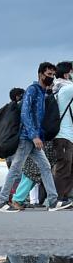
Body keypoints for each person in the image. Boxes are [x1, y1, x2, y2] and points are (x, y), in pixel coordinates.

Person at [0, 63, 72, 212]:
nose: (50, 77)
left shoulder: (42, 92)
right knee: (16, 169)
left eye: (52, 75)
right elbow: (25, 114)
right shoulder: (32, 90)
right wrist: (34, 136)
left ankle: (53, 201)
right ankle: (2, 201)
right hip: (27, 138)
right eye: (48, 74)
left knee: (45, 167)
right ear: (40, 74)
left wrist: (38, 137)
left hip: (34, 139)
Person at [53, 61, 73, 203]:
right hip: (62, 136)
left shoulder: (62, 88)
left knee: (69, 168)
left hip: (68, 136)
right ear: (67, 73)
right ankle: (59, 198)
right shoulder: (65, 89)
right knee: (63, 168)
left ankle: (65, 197)